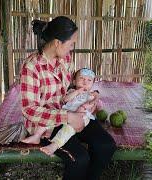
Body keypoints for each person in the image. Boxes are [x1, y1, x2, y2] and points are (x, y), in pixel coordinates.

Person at [20, 16, 116, 180]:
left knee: (106, 146)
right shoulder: (31, 67)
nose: (72, 48)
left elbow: (72, 87)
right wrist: (68, 117)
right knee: (79, 159)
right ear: (57, 42)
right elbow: (29, 110)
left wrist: (89, 100)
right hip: (46, 124)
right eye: (71, 44)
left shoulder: (66, 59)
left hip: (71, 110)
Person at [22, 68, 103, 156]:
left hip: (81, 117)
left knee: (67, 130)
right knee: (52, 118)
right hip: (66, 112)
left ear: (92, 84)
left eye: (89, 80)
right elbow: (65, 99)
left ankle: (54, 145)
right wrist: (77, 92)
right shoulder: (72, 91)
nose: (85, 82)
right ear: (74, 81)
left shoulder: (91, 95)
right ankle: (37, 135)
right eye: (82, 78)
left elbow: (96, 106)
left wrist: (90, 103)